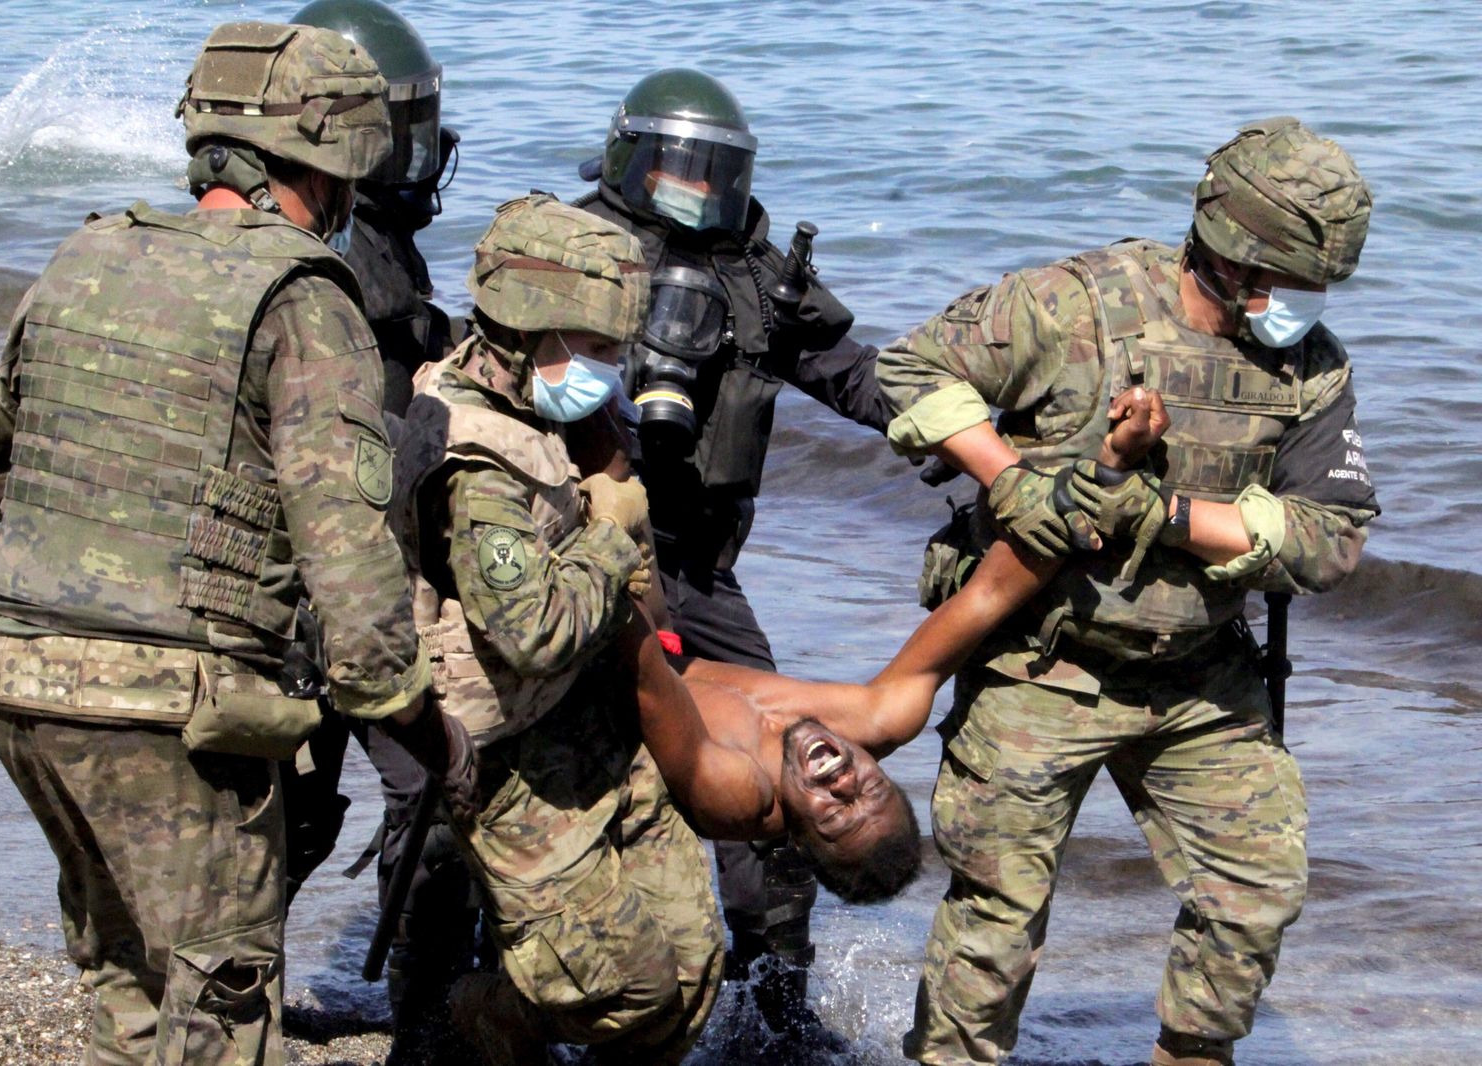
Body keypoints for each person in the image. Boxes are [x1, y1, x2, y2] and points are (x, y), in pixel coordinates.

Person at [0, 22, 474, 1064]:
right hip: (168, 721)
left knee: (127, 994)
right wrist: (422, 727)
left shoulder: (83, 252)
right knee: (218, 1014)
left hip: (20, 690)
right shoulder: (302, 295)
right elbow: (352, 571)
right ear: (328, 162)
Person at [875, 118, 1377, 1065]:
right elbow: (908, 368)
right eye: (1293, 283)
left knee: (1257, 889)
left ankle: (1192, 1056)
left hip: (1199, 675)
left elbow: (1329, 540)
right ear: (1233, 252)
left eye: (1319, 289)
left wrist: (1166, 511)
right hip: (1042, 661)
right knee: (996, 916)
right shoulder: (1072, 305)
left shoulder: (1311, 368)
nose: (1304, 308)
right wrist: (1009, 475)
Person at [573, 66, 894, 1039]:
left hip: (698, 565)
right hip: (575, 540)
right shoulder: (572, 250)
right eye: (679, 172)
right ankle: (449, 995)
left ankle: (774, 1005)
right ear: (634, 167)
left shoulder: (759, 268)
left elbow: (852, 376)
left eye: (717, 175)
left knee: (782, 763)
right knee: (523, 768)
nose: (697, 194)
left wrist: (977, 442)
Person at [389, 193, 723, 1066]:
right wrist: (610, 531)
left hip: (595, 721)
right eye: (602, 349)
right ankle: (480, 1016)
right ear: (533, 328)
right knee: (629, 991)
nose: (615, 369)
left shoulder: (550, 410)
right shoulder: (478, 456)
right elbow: (532, 632)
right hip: (510, 763)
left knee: (694, 973)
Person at [618, 388, 1167, 900]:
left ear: (800, 839)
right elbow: (986, 600)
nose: (841, 783)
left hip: (607, 668)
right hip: (657, 647)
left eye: (833, 814)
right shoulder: (881, 718)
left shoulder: (738, 793)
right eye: (870, 789)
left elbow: (640, 679)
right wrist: (1109, 468)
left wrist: (610, 499)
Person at [277, 3, 474, 1053]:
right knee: (410, 791)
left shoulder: (365, 237)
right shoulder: (333, 253)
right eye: (397, 128)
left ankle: (421, 1004)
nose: (415, 151)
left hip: (360, 570)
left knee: (347, 797)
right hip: (334, 579)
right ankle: (423, 1018)